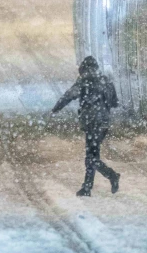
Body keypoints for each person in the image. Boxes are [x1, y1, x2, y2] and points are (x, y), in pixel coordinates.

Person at [51, 56, 120, 197]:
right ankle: (87, 188)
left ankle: (111, 175)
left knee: (91, 157)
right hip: (104, 123)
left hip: (92, 123)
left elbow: (69, 96)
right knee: (93, 155)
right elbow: (114, 103)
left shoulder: (84, 81)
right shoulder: (106, 81)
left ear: (83, 69)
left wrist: (56, 109)